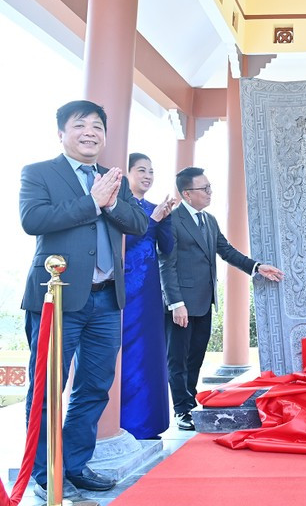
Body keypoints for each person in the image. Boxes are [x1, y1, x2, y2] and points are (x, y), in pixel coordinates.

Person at [20, 100, 148, 501]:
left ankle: (73, 463)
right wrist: (91, 202)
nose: (90, 132)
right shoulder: (39, 173)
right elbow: (33, 220)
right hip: (56, 299)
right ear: (62, 132)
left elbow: (139, 224)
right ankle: (45, 471)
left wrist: (110, 203)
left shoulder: (114, 178)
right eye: (80, 125)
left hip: (107, 301)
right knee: (46, 387)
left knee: (94, 387)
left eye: (97, 126)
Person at [159, 167, 285, 431]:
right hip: (181, 304)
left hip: (204, 301)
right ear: (186, 194)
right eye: (203, 189)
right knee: (178, 359)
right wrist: (175, 303)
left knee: (195, 357)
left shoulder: (209, 221)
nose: (209, 192)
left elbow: (226, 251)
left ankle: (190, 400)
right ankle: (181, 409)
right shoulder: (172, 220)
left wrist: (257, 267)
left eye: (209, 187)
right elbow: (166, 265)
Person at [120, 153, 178, 440]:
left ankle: (148, 423)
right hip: (125, 285)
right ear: (128, 173)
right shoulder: (119, 206)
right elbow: (124, 242)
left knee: (151, 352)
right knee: (126, 351)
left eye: (151, 171)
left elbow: (167, 248)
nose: (147, 176)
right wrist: (153, 221)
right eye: (141, 170)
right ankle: (122, 423)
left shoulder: (155, 208)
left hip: (150, 291)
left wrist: (165, 220)